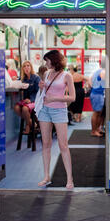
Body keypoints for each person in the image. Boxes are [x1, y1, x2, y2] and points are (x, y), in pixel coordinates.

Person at [37, 50, 76, 190]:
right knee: (46, 144)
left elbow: (72, 97)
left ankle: (69, 179)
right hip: (44, 110)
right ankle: (46, 176)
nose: (45, 63)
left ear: (53, 60)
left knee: (63, 145)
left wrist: (55, 98)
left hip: (59, 111)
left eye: (47, 60)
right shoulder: (46, 74)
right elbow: (44, 94)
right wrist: (41, 89)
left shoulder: (67, 75)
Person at [13, 60, 40, 134]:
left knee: (25, 109)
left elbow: (39, 92)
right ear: (22, 69)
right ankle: (32, 123)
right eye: (24, 66)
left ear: (31, 67)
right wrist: (14, 80)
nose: (26, 68)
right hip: (25, 101)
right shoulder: (22, 79)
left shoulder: (36, 78)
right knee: (16, 108)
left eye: (28, 66)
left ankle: (28, 125)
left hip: (34, 101)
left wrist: (31, 99)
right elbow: (16, 84)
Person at [89, 59, 106, 137]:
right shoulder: (103, 72)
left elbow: (90, 81)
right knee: (96, 113)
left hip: (96, 93)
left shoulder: (96, 71)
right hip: (97, 95)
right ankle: (93, 131)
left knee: (99, 113)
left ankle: (97, 129)